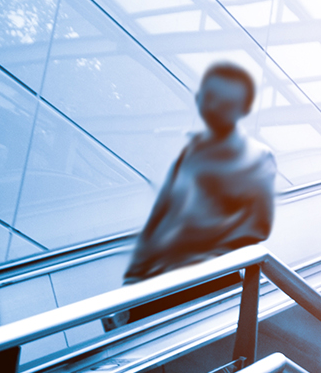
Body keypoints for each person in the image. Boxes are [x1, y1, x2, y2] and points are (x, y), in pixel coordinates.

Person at [112, 62, 277, 326]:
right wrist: (132, 281)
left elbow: (259, 227)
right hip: (164, 279)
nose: (212, 107)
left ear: (242, 107)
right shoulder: (191, 154)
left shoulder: (257, 157)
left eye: (224, 101)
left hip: (213, 281)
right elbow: (160, 217)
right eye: (208, 97)